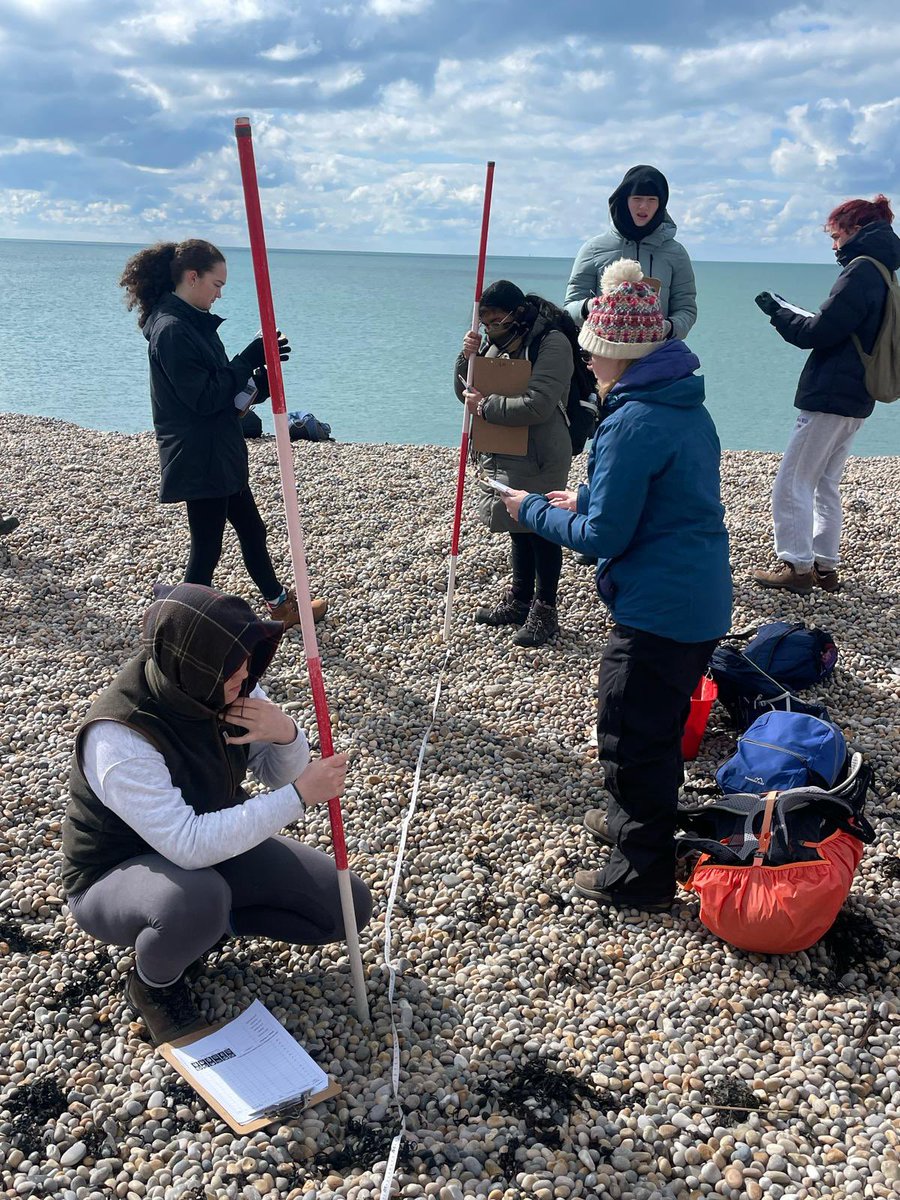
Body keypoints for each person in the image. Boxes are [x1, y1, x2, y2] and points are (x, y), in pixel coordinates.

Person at [499, 259, 732, 912]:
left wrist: (534, 510)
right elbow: (660, 499)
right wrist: (586, 495)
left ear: (618, 357)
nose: (589, 367)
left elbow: (606, 537)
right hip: (697, 595)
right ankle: (636, 822)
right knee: (652, 727)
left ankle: (642, 873)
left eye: (594, 357)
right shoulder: (682, 406)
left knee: (630, 735)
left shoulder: (632, 422)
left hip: (661, 610)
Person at [61, 583, 372, 1045]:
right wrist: (300, 796)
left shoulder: (225, 681)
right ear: (196, 663)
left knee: (344, 907)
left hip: (208, 837)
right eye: (233, 664)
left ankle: (203, 931)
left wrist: (286, 733)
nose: (246, 673)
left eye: (247, 658)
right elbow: (188, 845)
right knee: (194, 900)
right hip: (114, 873)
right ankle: (154, 985)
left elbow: (272, 773)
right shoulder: (121, 735)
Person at [119, 239, 326, 627]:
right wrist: (247, 360)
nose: (220, 293)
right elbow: (203, 399)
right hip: (199, 456)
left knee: (251, 528)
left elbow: (220, 393)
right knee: (206, 549)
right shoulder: (172, 330)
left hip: (218, 449)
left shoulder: (194, 322)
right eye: (217, 284)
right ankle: (177, 628)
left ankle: (279, 604)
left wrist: (257, 384)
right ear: (193, 277)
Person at [752, 194, 900, 594]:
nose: (834, 246)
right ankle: (825, 566)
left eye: (835, 236)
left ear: (855, 230)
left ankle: (797, 568)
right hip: (858, 395)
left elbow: (817, 333)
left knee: (793, 481)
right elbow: (838, 326)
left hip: (831, 392)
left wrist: (778, 313)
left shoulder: (860, 271)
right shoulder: (884, 272)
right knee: (825, 482)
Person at [453, 281, 574, 647]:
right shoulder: (495, 342)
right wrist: (466, 356)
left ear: (517, 312)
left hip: (542, 449)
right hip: (505, 445)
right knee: (516, 521)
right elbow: (465, 390)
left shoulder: (552, 342)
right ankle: (520, 599)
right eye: (484, 322)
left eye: (495, 320)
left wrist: (486, 407)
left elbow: (539, 403)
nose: (490, 327)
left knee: (542, 528)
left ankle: (546, 610)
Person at [564, 165, 697, 340]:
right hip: (604, 357)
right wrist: (593, 306)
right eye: (637, 198)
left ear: (661, 204)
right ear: (624, 200)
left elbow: (686, 308)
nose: (644, 206)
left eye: (652, 199)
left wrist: (667, 328)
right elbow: (568, 308)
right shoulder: (593, 249)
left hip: (656, 354)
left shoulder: (676, 253)